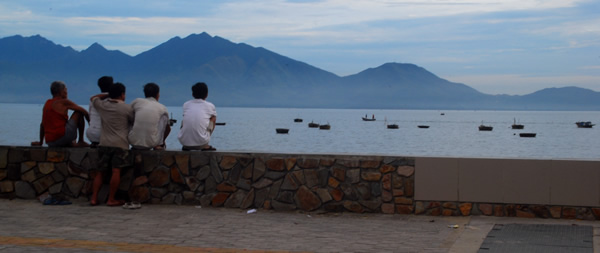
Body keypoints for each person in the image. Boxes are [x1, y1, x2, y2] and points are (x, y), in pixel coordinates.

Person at [89, 83, 133, 206]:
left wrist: (108, 95)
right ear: (123, 94)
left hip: (104, 143)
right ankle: (111, 199)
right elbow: (133, 121)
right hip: (120, 144)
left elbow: (93, 98)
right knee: (116, 171)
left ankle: (94, 198)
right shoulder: (127, 109)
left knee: (100, 172)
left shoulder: (103, 106)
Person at [31, 81, 90, 147]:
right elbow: (84, 111)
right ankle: (81, 141)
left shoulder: (47, 103)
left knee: (64, 124)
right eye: (65, 89)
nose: (66, 92)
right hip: (61, 137)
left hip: (50, 142)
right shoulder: (63, 102)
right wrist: (91, 126)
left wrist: (41, 142)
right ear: (61, 91)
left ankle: (70, 143)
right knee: (79, 113)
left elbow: (42, 125)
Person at [128, 83, 170, 150]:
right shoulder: (162, 107)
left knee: (131, 114)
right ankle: (160, 144)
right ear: (157, 94)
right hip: (152, 143)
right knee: (164, 116)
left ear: (145, 93)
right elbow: (168, 129)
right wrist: (163, 140)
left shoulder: (136, 101)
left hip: (132, 141)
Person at [178, 82, 217, 151]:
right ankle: (205, 145)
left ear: (193, 94)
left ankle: (188, 142)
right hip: (201, 143)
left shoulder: (186, 104)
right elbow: (212, 120)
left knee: (185, 118)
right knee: (213, 117)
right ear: (207, 94)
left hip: (183, 142)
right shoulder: (210, 106)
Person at [86, 76, 113, 147]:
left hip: (91, 134)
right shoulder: (112, 100)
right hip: (105, 135)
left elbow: (90, 116)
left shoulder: (93, 100)